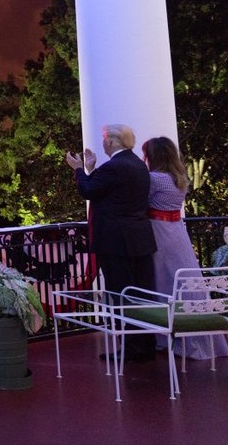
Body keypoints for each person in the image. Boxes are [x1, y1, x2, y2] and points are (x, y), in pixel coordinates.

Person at [65, 123, 157, 362]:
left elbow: (88, 191)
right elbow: (104, 190)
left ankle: (132, 348)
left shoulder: (114, 167)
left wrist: (78, 169)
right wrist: (92, 169)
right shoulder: (137, 164)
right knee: (142, 294)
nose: (103, 142)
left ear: (112, 142)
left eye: (105, 138)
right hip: (139, 239)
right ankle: (146, 344)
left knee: (122, 294)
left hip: (116, 241)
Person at [142, 136, 228, 360]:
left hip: (158, 231)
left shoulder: (154, 179)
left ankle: (167, 336)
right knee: (184, 279)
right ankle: (195, 331)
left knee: (162, 282)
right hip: (177, 231)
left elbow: (140, 201)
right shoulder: (179, 178)